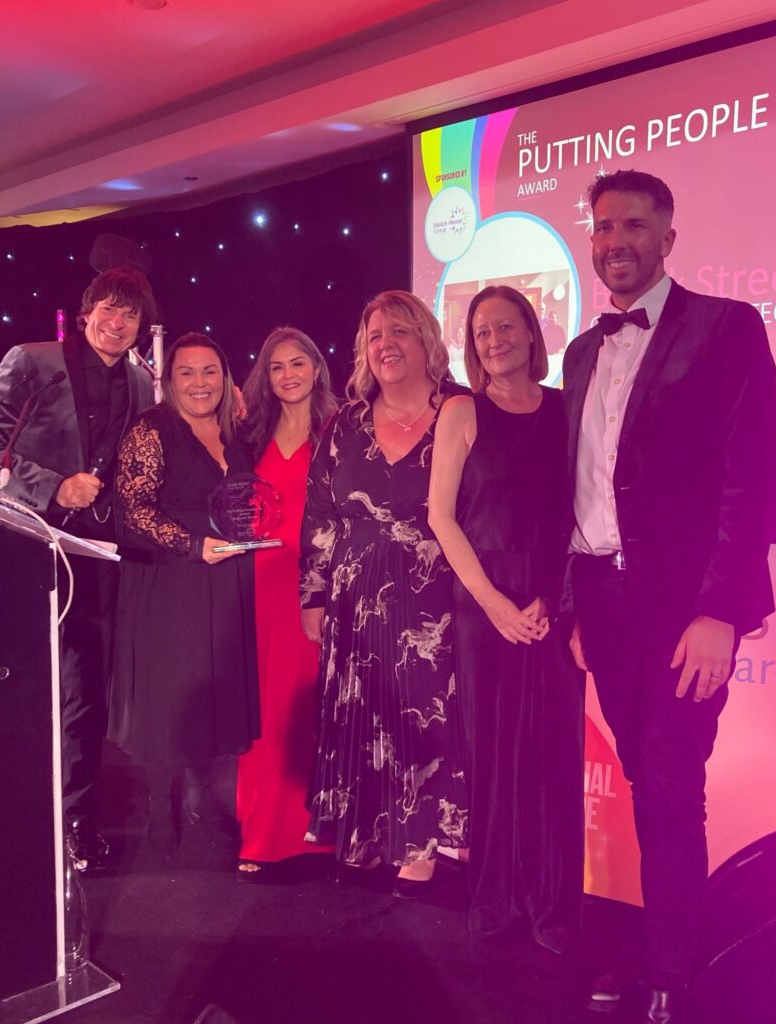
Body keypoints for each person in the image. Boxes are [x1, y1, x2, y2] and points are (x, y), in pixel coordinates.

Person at [564, 170, 776, 1023]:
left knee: (666, 782)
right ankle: (665, 943)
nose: (614, 241)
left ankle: (670, 972)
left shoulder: (725, 327)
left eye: (632, 225)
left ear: (666, 238)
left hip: (685, 610)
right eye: (602, 227)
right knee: (642, 778)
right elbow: (577, 489)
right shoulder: (581, 353)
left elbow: (749, 475)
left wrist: (720, 610)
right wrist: (575, 604)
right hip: (601, 602)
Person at [0, 267, 156, 871]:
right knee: (24, 686)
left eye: (130, 314)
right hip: (27, 547)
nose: (117, 322)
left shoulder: (141, 382)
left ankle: (76, 816)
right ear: (87, 310)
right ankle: (19, 812)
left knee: (85, 691)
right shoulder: (32, 360)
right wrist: (52, 486)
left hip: (96, 557)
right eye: (108, 308)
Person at [428, 285, 582, 951]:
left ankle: (553, 907)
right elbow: (440, 516)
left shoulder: (566, 408)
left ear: (531, 331)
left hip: (551, 599)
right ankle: (496, 901)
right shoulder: (462, 410)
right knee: (492, 757)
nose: (494, 341)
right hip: (481, 601)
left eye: (506, 327)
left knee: (554, 756)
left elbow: (576, 510)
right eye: (482, 331)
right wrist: (493, 602)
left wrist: (550, 595)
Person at [300, 290, 469, 897]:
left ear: (427, 340)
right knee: (364, 713)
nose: (386, 345)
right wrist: (313, 594)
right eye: (374, 336)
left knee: (422, 718)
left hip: (433, 593)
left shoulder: (460, 411)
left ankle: (419, 846)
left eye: (399, 331)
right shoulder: (345, 423)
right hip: (355, 596)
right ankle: (367, 835)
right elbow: (320, 512)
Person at [108, 333, 259, 853]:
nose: (200, 383)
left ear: (226, 378)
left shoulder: (235, 431)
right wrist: (192, 545)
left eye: (210, 371)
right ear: (170, 380)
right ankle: (158, 803)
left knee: (210, 685)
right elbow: (134, 509)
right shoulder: (152, 429)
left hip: (224, 577)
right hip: (171, 579)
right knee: (168, 689)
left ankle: (200, 794)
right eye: (187, 372)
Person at [234, 327, 338, 880]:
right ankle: (263, 831)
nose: (288, 375)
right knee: (264, 710)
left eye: (298, 363)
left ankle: (317, 833)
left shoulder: (340, 428)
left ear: (316, 368)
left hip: (315, 589)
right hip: (258, 585)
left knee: (308, 708)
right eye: (276, 367)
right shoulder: (250, 435)